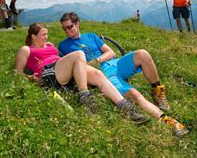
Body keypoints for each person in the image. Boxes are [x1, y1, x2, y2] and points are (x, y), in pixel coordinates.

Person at [58, 12, 189, 137]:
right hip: (103, 75)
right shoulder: (63, 46)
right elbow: (69, 68)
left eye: (69, 27)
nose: (67, 31)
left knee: (142, 54)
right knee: (134, 94)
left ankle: (158, 92)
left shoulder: (91, 36)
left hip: (115, 63)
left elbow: (111, 52)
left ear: (77, 23)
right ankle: (170, 122)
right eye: (64, 29)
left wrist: (97, 60)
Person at [15, 23, 150, 123]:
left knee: (98, 74)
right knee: (79, 54)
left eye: (47, 34)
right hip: (48, 74)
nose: (46, 37)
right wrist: (30, 78)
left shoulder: (49, 45)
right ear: (33, 36)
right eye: (43, 34)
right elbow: (18, 72)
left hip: (62, 70)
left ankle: (125, 107)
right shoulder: (26, 50)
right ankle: (84, 96)